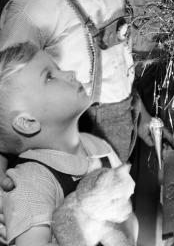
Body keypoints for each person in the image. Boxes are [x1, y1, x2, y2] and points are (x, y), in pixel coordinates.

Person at [0, 0, 174, 242]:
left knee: (113, 212)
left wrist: (139, 113)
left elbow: (120, 56)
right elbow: (6, 88)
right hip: (70, 133)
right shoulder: (36, 5)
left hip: (117, 125)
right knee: (73, 225)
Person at [0, 42, 138, 245]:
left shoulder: (100, 148)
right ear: (28, 122)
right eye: (49, 77)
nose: (71, 73)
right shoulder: (31, 184)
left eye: (59, 68)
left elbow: (127, 220)